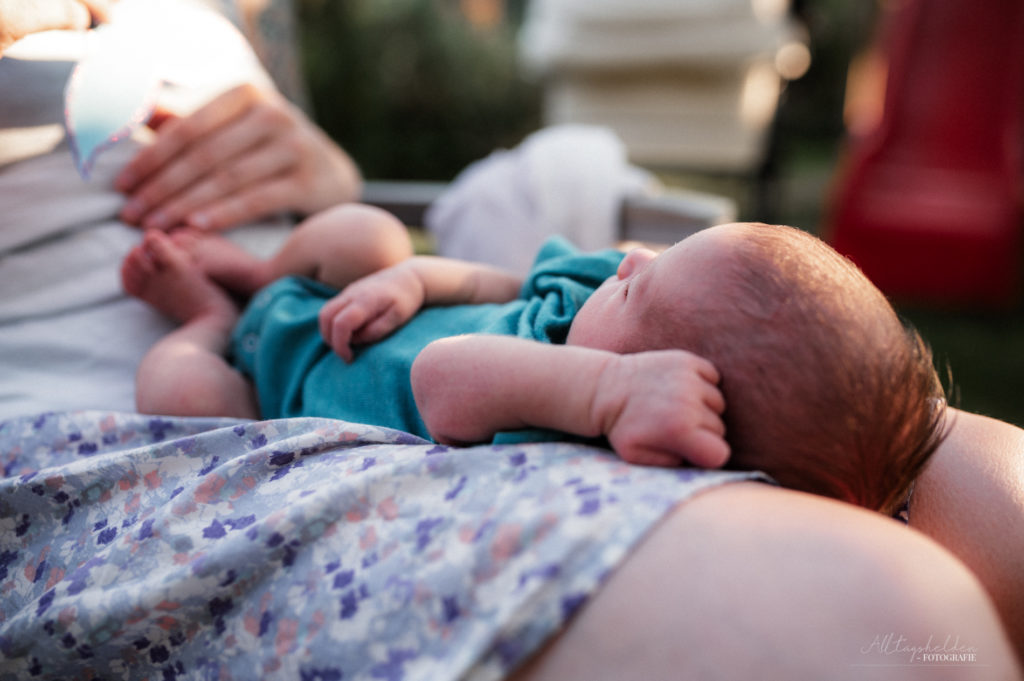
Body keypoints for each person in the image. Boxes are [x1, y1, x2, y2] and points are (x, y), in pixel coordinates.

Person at [121, 204, 945, 514]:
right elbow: (489, 280)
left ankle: (203, 313)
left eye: (640, 294)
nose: (630, 264)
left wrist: (605, 394)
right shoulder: (596, 299)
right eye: (662, 254)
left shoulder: (567, 425)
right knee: (365, 230)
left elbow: (440, 376)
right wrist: (412, 276)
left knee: (179, 387)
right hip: (344, 301)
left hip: (269, 386)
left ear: (660, 387)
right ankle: (257, 273)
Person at [0, 0, 360, 419]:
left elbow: (337, 199)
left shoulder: (199, 23)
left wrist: (330, 173)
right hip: (97, 415)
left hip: (318, 363)